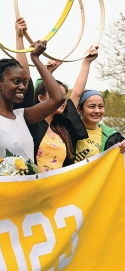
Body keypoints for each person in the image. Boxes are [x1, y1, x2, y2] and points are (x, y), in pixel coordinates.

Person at [0, 39, 66, 176]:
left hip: (30, 193)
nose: (23, 87)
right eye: (16, 81)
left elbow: (58, 98)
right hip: (6, 195)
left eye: (25, 82)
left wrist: (35, 58)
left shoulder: (23, 116)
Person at [14, 17, 98, 172]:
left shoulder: (63, 126)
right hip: (31, 188)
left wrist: (86, 62)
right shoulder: (30, 121)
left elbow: (77, 93)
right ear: (40, 98)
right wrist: (19, 39)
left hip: (58, 190)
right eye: (56, 94)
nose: (62, 100)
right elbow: (23, 77)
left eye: (64, 96)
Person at [69, 62, 125, 161]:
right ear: (79, 109)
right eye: (91, 106)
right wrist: (87, 62)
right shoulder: (68, 129)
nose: (97, 111)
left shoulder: (113, 136)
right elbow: (76, 94)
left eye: (101, 106)